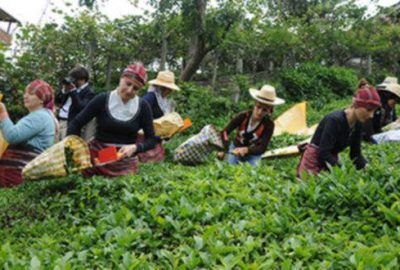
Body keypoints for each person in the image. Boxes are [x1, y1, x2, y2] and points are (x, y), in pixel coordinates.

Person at [67, 63, 156, 177]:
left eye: (135, 88)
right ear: (121, 79)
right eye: (128, 84)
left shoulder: (143, 107)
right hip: (97, 159)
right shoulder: (102, 99)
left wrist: (135, 147)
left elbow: (151, 140)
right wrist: (76, 149)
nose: (129, 90)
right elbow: (76, 123)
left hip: (125, 162)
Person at [297, 81, 381, 179]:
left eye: (374, 111)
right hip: (314, 158)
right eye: (368, 110)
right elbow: (323, 153)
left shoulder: (358, 124)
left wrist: (368, 167)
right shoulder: (335, 120)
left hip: (330, 158)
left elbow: (355, 154)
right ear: (357, 105)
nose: (371, 115)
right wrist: (343, 170)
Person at [0, 80, 57, 187]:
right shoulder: (42, 116)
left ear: (42, 99)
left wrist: (3, 113)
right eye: (25, 93)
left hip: (18, 176)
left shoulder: (40, 117)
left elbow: (12, 136)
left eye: (31, 94)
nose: (25, 96)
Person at [217, 85, 285, 166]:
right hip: (235, 148)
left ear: (269, 111)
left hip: (253, 153)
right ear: (254, 104)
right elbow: (224, 132)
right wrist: (223, 149)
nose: (259, 112)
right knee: (231, 169)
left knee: (252, 174)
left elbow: (262, 148)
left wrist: (247, 150)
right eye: (258, 107)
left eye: (264, 110)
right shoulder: (243, 116)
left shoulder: (269, 125)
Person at [139, 70, 180, 163]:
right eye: (168, 89)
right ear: (162, 88)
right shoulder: (150, 98)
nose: (169, 92)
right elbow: (140, 116)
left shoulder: (163, 101)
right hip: (143, 135)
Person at [57, 66, 95, 141]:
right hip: (59, 121)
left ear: (82, 80)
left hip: (70, 124)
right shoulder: (70, 88)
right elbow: (58, 101)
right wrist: (64, 91)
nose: (73, 82)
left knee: (65, 148)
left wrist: (73, 91)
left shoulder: (89, 93)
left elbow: (81, 107)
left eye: (75, 79)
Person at [363, 77, 400, 142]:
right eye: (395, 101)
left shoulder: (389, 106)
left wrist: (396, 122)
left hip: (379, 132)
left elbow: (392, 120)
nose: (395, 104)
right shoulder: (377, 103)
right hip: (372, 135)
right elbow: (370, 124)